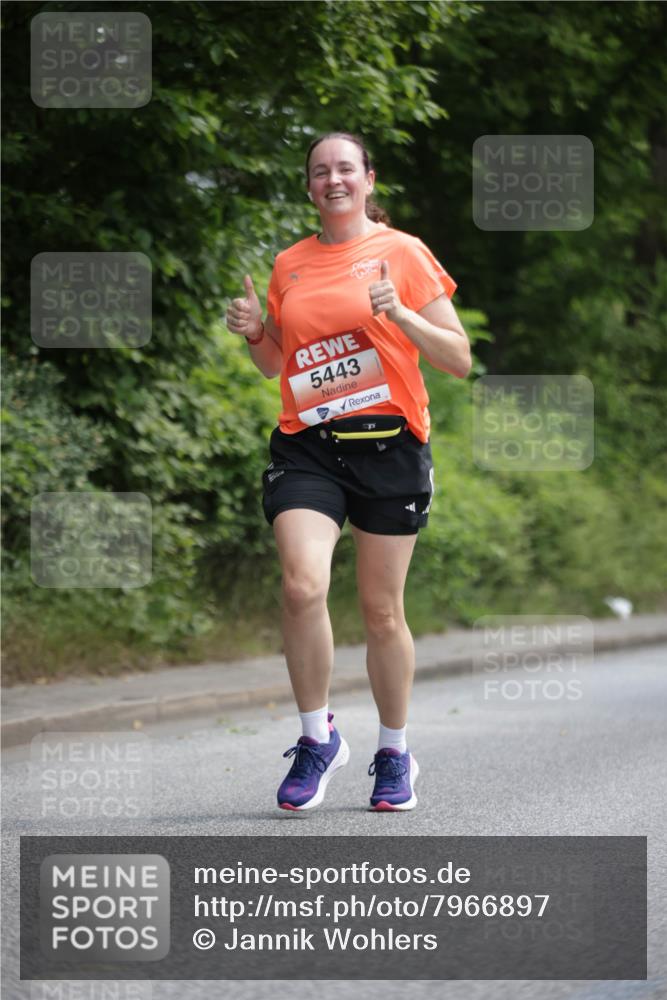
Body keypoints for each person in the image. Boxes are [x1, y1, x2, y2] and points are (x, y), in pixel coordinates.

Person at [226, 131, 471, 812]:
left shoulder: (403, 253)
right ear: (309, 187)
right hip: (308, 446)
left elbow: (457, 358)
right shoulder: (290, 264)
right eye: (318, 172)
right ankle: (317, 737)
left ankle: (394, 753)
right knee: (303, 586)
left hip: (390, 447)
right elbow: (276, 363)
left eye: (344, 169)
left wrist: (400, 317)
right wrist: (254, 330)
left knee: (380, 611)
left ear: (367, 179)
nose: (332, 180)